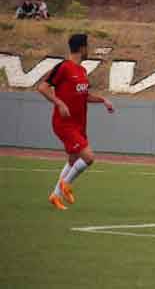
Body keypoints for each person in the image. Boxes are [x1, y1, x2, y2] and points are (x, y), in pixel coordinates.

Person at [38, 34, 114, 210]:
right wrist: (59, 102)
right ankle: (66, 184)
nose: (88, 50)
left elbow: (84, 96)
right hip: (64, 123)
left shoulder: (82, 71)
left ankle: (55, 195)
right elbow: (43, 87)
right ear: (82, 48)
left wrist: (103, 100)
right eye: (87, 46)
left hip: (79, 124)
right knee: (88, 157)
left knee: (73, 161)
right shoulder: (63, 67)